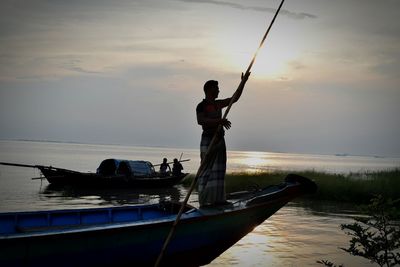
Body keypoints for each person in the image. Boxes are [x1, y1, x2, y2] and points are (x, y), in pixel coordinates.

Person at [196, 72, 250, 207]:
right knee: (206, 169)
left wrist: (243, 82)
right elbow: (201, 121)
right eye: (216, 88)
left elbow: (234, 98)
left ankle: (218, 199)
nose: (219, 90)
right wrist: (219, 121)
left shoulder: (218, 104)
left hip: (219, 140)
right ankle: (205, 200)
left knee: (219, 169)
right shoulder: (201, 106)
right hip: (208, 140)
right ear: (209, 90)